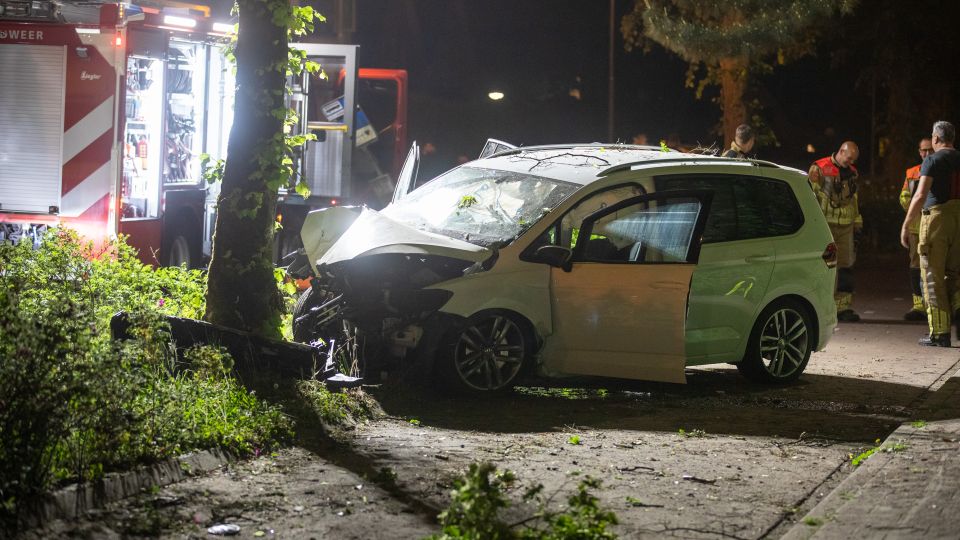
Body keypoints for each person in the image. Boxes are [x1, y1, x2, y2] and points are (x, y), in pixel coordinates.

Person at [901, 121, 960, 347]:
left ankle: (939, 333)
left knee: (932, 277)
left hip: (937, 219)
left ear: (936, 139)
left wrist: (906, 225)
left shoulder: (932, 160)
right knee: (956, 274)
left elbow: (919, 195)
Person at [809, 141, 862, 322]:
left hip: (846, 226)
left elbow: (854, 199)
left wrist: (857, 223)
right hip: (826, 226)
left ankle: (843, 308)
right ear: (840, 151)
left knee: (846, 266)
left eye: (853, 159)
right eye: (848, 158)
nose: (850, 162)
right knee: (826, 266)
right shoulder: (819, 168)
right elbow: (811, 197)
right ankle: (823, 307)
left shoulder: (853, 172)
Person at [900, 137, 935, 321]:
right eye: (923, 150)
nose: (926, 153)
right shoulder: (912, 172)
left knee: (935, 265)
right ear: (919, 151)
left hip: (935, 225)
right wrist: (915, 206)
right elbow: (904, 197)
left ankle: (935, 306)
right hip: (916, 226)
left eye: (930, 150)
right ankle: (918, 305)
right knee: (915, 265)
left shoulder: (941, 169)